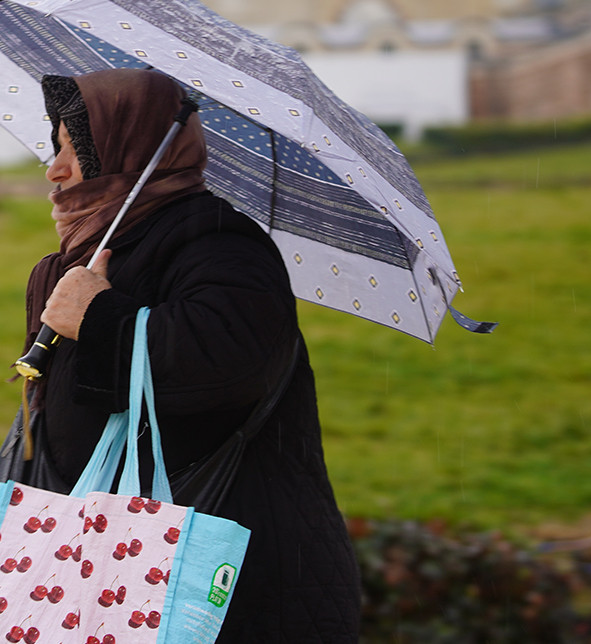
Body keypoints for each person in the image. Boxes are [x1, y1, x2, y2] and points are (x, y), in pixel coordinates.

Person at [22, 67, 360, 642]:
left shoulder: (221, 244)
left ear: (123, 150)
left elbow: (226, 365)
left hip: (218, 579)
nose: (54, 171)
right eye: (53, 150)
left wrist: (99, 317)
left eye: (72, 149)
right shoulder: (80, 259)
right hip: (98, 565)